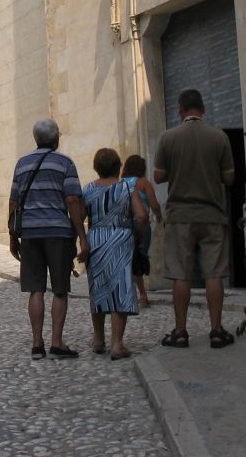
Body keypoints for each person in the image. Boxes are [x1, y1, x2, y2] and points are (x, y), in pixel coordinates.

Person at [153, 89, 236, 349]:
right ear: (203, 108)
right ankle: (216, 330)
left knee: (181, 274)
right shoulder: (219, 137)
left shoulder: (168, 138)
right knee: (214, 273)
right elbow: (230, 178)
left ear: (180, 109)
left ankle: (180, 331)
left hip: (180, 216)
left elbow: (158, 176)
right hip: (212, 213)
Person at [8, 118, 90, 360]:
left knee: (36, 289)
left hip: (30, 234)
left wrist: (13, 237)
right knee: (60, 289)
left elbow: (13, 202)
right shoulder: (65, 163)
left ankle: (37, 345)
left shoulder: (21, 164)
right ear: (55, 138)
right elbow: (73, 201)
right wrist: (82, 238)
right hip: (58, 234)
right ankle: (56, 343)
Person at [83, 148, 148, 359]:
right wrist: (137, 235)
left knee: (98, 287)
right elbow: (142, 215)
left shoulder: (88, 189)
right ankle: (117, 344)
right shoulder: (128, 187)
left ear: (96, 168)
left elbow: (80, 215)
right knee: (120, 288)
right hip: (121, 239)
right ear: (119, 167)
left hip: (96, 240)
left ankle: (98, 339)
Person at [120, 154, 163, 308]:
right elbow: (154, 204)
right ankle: (142, 295)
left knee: (126, 260)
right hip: (141, 225)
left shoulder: (120, 183)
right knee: (139, 258)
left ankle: (128, 294)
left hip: (123, 226)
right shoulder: (144, 183)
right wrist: (159, 217)